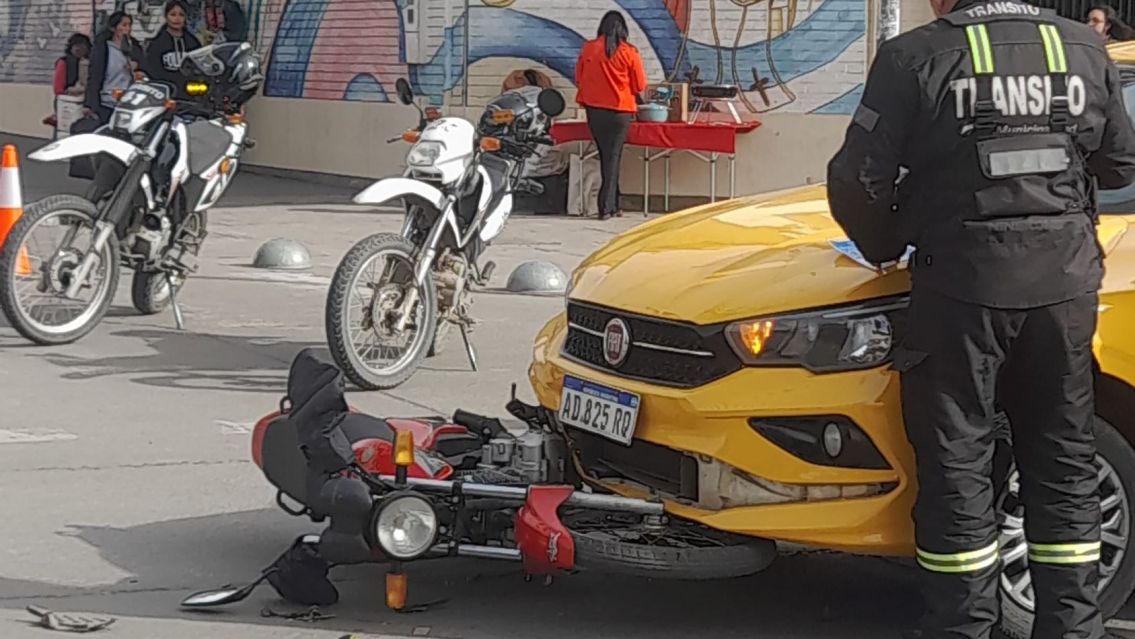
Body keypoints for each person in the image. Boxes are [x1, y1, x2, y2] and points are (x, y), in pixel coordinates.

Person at [825, 0, 1135, 637]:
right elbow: (1120, 164)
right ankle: (1074, 628)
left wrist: (890, 237)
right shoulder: (1083, 48)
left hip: (962, 292)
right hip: (1064, 294)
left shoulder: (915, 56)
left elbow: (858, 179)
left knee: (958, 467)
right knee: (1064, 462)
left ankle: (963, 627)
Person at [574, 10, 646, 220]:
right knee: (612, 157)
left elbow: (579, 77)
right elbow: (640, 84)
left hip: (594, 110)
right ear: (623, 29)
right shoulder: (629, 52)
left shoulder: (589, 48)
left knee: (606, 155)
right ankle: (606, 207)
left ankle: (614, 203)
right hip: (620, 111)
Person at [83, 11, 143, 124]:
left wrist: (137, 68)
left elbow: (144, 70)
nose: (128, 29)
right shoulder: (104, 48)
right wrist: (89, 103)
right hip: (108, 100)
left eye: (130, 25)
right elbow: (95, 75)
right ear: (114, 28)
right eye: (124, 25)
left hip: (129, 101)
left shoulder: (135, 48)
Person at [143, 0, 202, 98]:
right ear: (166, 17)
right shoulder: (157, 43)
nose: (177, 19)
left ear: (185, 17)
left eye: (181, 15)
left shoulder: (193, 42)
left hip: (189, 96)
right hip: (163, 94)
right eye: (173, 14)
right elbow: (151, 69)